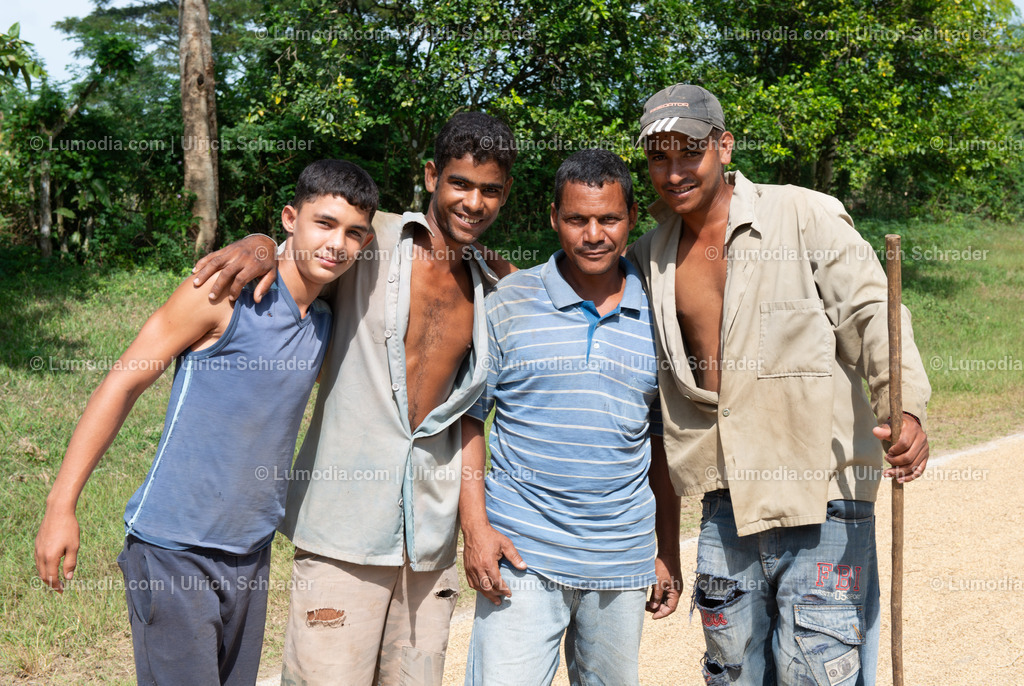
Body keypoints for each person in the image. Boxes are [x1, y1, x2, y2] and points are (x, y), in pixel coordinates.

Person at [191, 112, 517, 685]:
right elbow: (307, 242)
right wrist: (261, 242)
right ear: (432, 175)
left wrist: (476, 525)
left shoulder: (496, 284)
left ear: (505, 194)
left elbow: (468, 414)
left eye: (490, 190)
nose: (474, 202)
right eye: (460, 183)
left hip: (429, 541)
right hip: (342, 529)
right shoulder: (370, 240)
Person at [628, 84, 931, 685]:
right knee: (731, 669)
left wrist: (903, 407)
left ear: (724, 145)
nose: (674, 170)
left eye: (689, 150)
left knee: (820, 670)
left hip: (821, 490)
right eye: (658, 156)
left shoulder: (801, 214)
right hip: (724, 501)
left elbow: (874, 312)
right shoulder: (649, 256)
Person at [33, 159, 378, 685]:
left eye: (354, 233)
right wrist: (61, 506)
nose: (337, 244)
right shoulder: (221, 296)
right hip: (175, 549)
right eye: (324, 223)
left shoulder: (325, 324)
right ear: (291, 218)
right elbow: (121, 384)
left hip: (251, 555)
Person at [459, 148, 680, 685]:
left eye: (609, 218)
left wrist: (666, 549)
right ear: (554, 218)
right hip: (521, 553)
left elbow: (661, 442)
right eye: (578, 219)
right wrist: (476, 527)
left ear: (632, 219)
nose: (593, 234)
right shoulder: (508, 302)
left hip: (620, 557)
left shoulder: (660, 313)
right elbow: (469, 420)